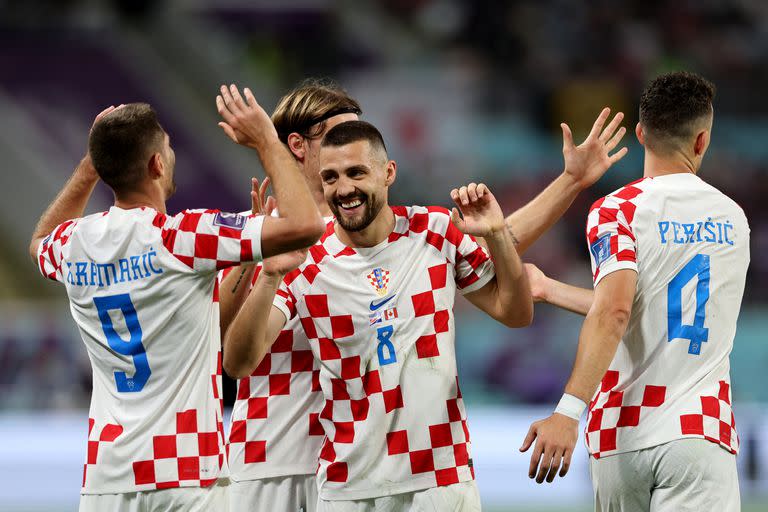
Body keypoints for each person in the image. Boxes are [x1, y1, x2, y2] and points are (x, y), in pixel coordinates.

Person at [223, 110, 627, 510]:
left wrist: (497, 233)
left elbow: (515, 312)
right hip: (347, 487)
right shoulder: (306, 259)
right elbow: (239, 361)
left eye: (356, 173)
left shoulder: (434, 231)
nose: (344, 188)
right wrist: (270, 276)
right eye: (331, 177)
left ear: (389, 173)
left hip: (441, 479)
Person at [28, 85, 324, 512]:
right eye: (167, 147)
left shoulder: (75, 244)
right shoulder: (181, 238)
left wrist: (90, 167)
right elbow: (304, 224)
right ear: (155, 164)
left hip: (106, 479)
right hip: (188, 475)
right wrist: (266, 141)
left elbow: (40, 241)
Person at [521, 72, 749, 512]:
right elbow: (637, 309)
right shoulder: (733, 218)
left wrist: (568, 412)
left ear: (641, 134)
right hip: (698, 431)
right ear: (701, 141)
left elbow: (618, 311)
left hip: (619, 435)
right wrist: (550, 290)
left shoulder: (617, 209)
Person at [218, 79, 362, 512]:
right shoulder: (252, 226)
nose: (355, 147)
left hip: (353, 462)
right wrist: (253, 253)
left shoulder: (370, 233)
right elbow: (214, 333)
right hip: (267, 457)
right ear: (298, 145)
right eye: (340, 136)